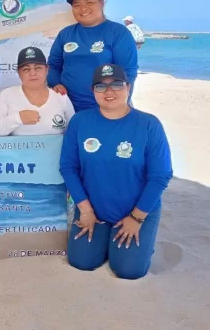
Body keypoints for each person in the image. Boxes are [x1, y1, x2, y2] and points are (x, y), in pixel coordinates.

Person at [60, 64, 172, 280]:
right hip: (94, 210)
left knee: (128, 270)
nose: (109, 91)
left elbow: (160, 176)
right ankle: (106, 239)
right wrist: (86, 210)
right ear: (93, 91)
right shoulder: (80, 121)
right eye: (101, 86)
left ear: (128, 87)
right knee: (82, 261)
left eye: (117, 84)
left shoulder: (149, 124)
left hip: (136, 210)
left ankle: (141, 241)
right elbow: (68, 168)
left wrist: (136, 218)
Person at [47, 0, 138, 112]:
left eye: (89, 2)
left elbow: (128, 73)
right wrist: (55, 83)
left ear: (102, 3)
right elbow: (53, 66)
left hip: (103, 108)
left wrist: (117, 107)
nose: (83, 8)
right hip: (66, 106)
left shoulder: (118, 33)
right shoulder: (65, 34)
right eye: (77, 5)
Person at [0, 47, 75, 136]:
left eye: (38, 68)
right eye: (26, 69)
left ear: (47, 70)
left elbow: (74, 131)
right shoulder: (6, 96)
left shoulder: (60, 96)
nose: (32, 73)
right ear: (19, 73)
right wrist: (18, 118)